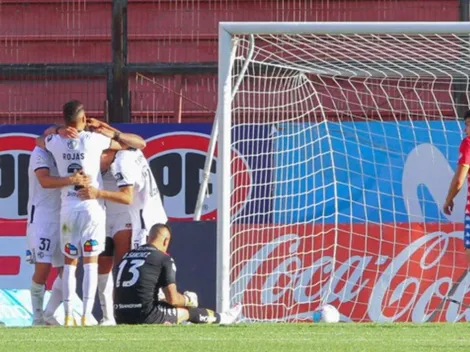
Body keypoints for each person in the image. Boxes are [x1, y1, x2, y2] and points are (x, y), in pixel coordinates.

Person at [36, 100, 145, 326]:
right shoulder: (94, 140)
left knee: (69, 264)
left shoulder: (55, 141)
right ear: (84, 120)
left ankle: (67, 315)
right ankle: (86, 315)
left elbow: (39, 141)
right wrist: (107, 128)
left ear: (64, 120)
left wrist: (57, 130)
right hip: (92, 208)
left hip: (68, 210)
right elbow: (133, 144)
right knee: (91, 263)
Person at [114, 223, 241, 325]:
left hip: (120, 316)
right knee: (187, 311)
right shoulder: (163, 258)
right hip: (145, 316)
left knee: (163, 304)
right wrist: (188, 300)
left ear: (148, 238)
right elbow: (173, 300)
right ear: (165, 241)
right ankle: (223, 318)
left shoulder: (126, 256)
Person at [27, 136, 89, 325]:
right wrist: (72, 179)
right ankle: (37, 317)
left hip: (64, 214)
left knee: (67, 268)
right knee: (43, 267)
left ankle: (49, 313)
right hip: (42, 218)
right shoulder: (40, 152)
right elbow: (44, 180)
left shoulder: (69, 153)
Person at [79, 148, 168, 253]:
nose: (96, 169)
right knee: (152, 261)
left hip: (144, 219)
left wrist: (98, 193)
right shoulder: (131, 151)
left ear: (102, 155)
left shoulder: (120, 164)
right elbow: (139, 142)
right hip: (154, 212)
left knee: (141, 262)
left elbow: (127, 198)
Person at [444, 110, 470, 264]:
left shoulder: (468, 143)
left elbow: (459, 179)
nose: (465, 129)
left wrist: (448, 199)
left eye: (468, 125)